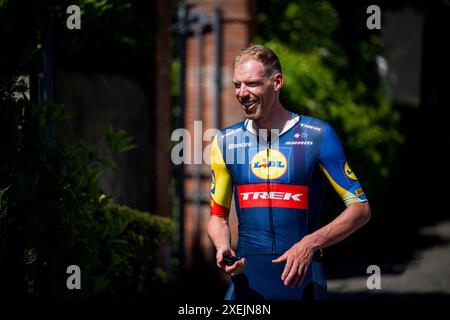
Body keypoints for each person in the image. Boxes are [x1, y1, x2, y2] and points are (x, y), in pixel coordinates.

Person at [207, 44, 371, 300]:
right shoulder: (225, 142)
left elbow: (360, 209)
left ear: (277, 82)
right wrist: (222, 247)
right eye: (237, 85)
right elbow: (217, 217)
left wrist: (310, 244)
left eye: (251, 84)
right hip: (247, 281)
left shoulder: (317, 135)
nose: (242, 93)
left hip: (303, 280)